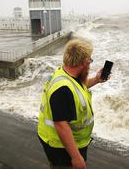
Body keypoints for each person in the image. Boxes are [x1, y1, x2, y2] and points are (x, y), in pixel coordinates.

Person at [38, 39, 110, 169]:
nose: (90, 64)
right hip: (61, 149)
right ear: (85, 62)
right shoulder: (63, 90)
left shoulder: (65, 73)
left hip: (59, 143)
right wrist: (76, 157)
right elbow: (60, 124)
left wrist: (96, 80)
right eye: (90, 61)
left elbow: (77, 86)